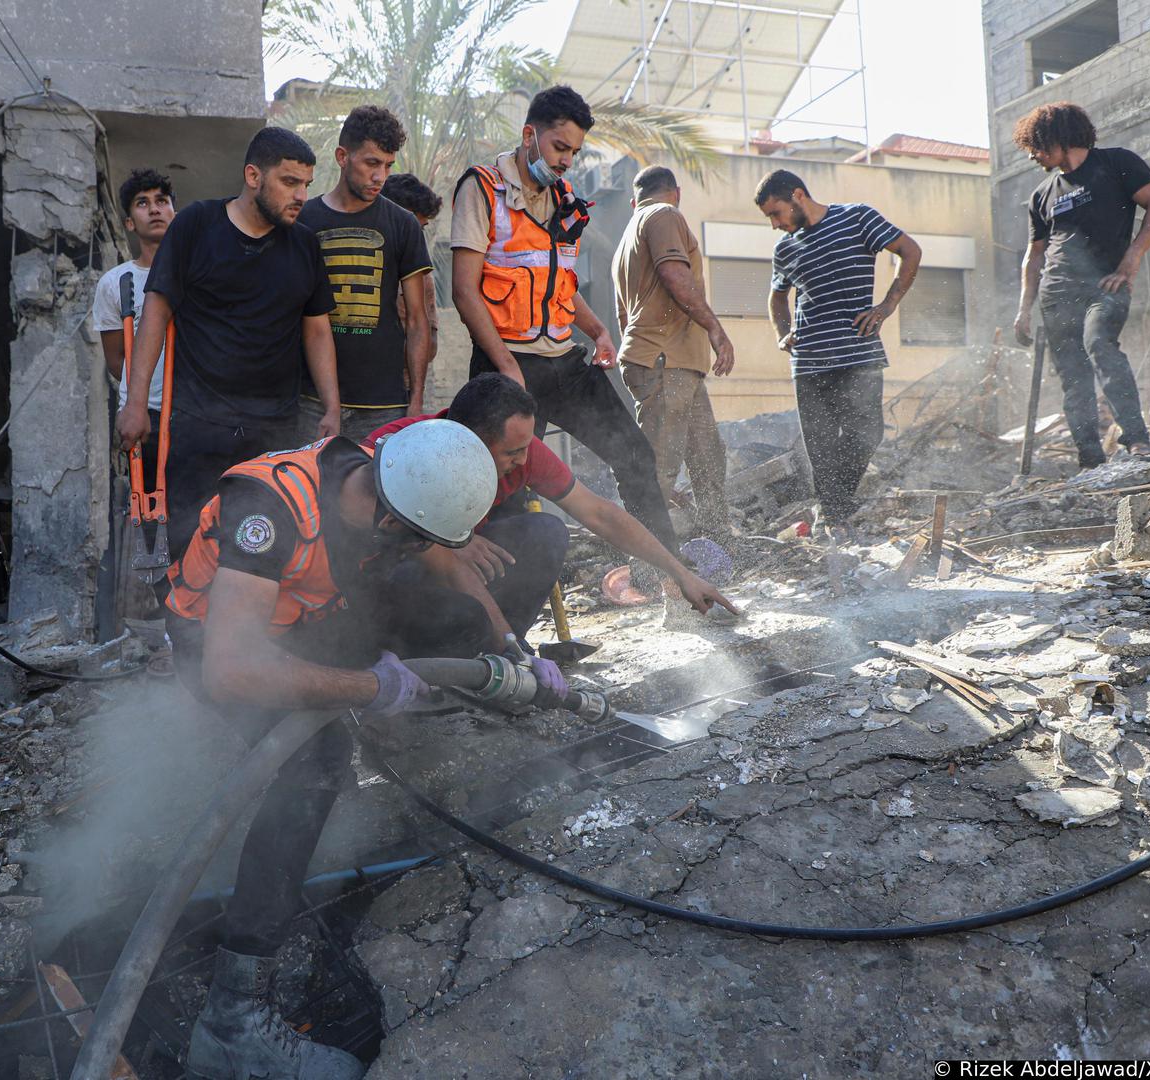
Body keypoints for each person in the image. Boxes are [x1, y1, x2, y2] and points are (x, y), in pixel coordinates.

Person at [167, 421, 511, 1080]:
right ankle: (234, 1022)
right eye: (414, 539)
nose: (420, 550)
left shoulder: (374, 472)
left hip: (305, 616)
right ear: (390, 520)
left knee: (455, 622)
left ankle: (370, 700)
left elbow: (428, 561)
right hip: (220, 641)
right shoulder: (266, 511)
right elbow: (230, 669)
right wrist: (369, 685)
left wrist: (511, 650)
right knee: (315, 768)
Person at [450, 84, 681, 562]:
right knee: (500, 489)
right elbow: (463, 290)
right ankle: (505, 609)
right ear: (529, 135)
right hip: (505, 366)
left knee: (635, 454)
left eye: (574, 152)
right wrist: (504, 367)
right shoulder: (481, 188)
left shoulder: (564, 197)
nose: (566, 161)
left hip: (563, 362)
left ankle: (668, 577)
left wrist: (597, 330)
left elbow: (558, 284)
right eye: (560, 148)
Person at [367, 374, 738, 650]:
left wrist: (679, 573)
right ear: (469, 442)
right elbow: (356, 533)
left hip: (460, 566)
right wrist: (450, 544)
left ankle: (488, 652)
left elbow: (600, 514)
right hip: (386, 579)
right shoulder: (404, 450)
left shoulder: (523, 454)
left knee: (545, 532)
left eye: (526, 447)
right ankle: (431, 658)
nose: (523, 461)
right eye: (511, 453)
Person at [116, 127, 339, 557]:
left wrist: (331, 405)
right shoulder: (196, 226)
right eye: (289, 182)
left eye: (306, 186)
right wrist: (135, 402)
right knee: (191, 544)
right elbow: (155, 315)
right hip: (200, 424)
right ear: (253, 176)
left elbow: (316, 329)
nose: (300, 196)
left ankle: (251, 625)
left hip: (273, 430)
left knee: (262, 547)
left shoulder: (305, 245)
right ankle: (184, 626)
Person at [758, 169, 922, 534]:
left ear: (797, 195)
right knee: (821, 446)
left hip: (858, 354)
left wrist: (886, 307)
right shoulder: (785, 248)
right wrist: (783, 334)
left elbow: (910, 251)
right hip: (810, 361)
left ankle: (834, 505)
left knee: (868, 433)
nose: (774, 224)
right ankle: (833, 518)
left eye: (776, 213)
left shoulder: (858, 217)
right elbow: (777, 297)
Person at [1011, 101, 1150, 466]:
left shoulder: (1117, 164)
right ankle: (1090, 459)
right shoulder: (1042, 194)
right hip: (1056, 293)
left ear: (1058, 138)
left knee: (1099, 343)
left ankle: (1138, 441)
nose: (1033, 155)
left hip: (1106, 285)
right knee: (1073, 375)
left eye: (1037, 146)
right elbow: (1034, 255)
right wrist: (1023, 309)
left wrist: (1133, 258)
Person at [613, 164, 737, 542]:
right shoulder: (664, 214)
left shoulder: (626, 239)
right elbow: (674, 275)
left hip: (674, 363)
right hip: (665, 362)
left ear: (634, 199)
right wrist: (716, 329)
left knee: (707, 458)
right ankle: (648, 568)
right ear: (676, 192)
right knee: (661, 469)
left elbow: (622, 317)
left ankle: (721, 545)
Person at [298, 106, 435, 440]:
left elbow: (417, 321)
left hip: (383, 404)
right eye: (371, 163)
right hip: (309, 400)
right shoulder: (304, 220)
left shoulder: (403, 224)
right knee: (310, 489)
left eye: (388, 165)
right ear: (342, 156)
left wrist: (414, 401)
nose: (380, 176)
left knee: (377, 491)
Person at [91, 168, 175, 607]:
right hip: (146, 414)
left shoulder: (195, 272)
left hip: (191, 410)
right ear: (129, 222)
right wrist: (136, 400)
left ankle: (196, 612)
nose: (154, 208)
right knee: (149, 516)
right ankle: (165, 619)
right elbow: (116, 360)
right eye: (142, 203)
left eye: (162, 199)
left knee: (195, 510)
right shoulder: (116, 283)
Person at [381, 172, 444, 360]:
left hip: (402, 385)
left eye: (420, 229)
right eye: (410, 228)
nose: (416, 237)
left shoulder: (421, 276)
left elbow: (429, 346)